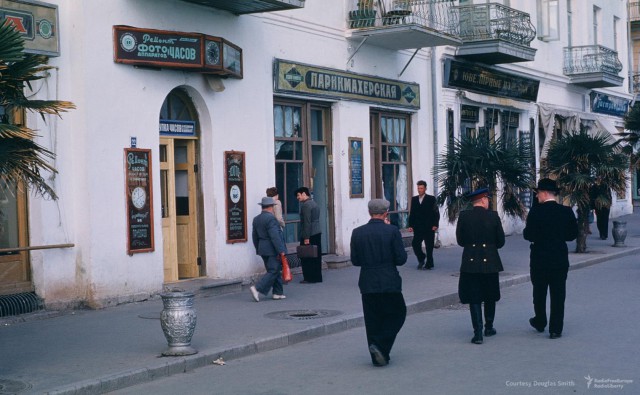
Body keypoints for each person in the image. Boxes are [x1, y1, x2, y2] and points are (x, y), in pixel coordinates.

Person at [350, 199, 408, 367]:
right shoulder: (392, 231)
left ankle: (378, 356)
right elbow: (401, 259)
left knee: (373, 320)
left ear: (370, 213)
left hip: (367, 281)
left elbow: (355, 260)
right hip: (389, 280)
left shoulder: (357, 232)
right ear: (385, 213)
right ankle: (381, 345)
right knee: (398, 314)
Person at [523, 178, 578, 339]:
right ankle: (556, 329)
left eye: (538, 193)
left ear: (544, 193)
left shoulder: (536, 211)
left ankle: (540, 321)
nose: (537, 196)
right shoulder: (566, 211)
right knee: (558, 293)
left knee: (539, 292)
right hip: (559, 258)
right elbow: (571, 235)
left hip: (539, 259)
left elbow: (528, 234)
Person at [456, 188, 505, 345]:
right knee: (490, 295)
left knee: (474, 297)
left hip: (470, 262)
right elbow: (501, 242)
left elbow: (460, 241)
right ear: (483, 200)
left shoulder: (464, 216)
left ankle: (477, 334)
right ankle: (489, 327)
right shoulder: (493, 216)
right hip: (490, 261)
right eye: (488, 199)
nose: (488, 201)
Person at [249, 197, 287, 302]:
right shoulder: (271, 219)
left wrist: (258, 248)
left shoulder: (256, 219)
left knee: (275, 269)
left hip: (262, 248)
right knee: (274, 270)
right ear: (271, 207)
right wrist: (281, 250)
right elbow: (275, 236)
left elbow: (254, 236)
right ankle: (257, 289)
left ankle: (278, 292)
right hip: (272, 249)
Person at [407, 180, 440, 270]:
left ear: (425, 188)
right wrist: (410, 225)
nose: (419, 190)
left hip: (429, 226)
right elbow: (412, 213)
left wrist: (435, 224)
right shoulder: (414, 199)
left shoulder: (431, 199)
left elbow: (436, 212)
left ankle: (429, 263)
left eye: (421, 188)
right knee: (415, 244)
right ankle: (421, 257)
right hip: (418, 227)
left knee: (429, 246)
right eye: (418, 188)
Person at [295, 187, 322, 283]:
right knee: (316, 256)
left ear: (303, 194)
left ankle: (309, 277)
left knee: (307, 257)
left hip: (309, 234)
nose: (297, 198)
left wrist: (306, 237)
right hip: (317, 232)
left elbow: (307, 222)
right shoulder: (314, 203)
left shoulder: (306, 205)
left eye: (298, 195)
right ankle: (317, 277)